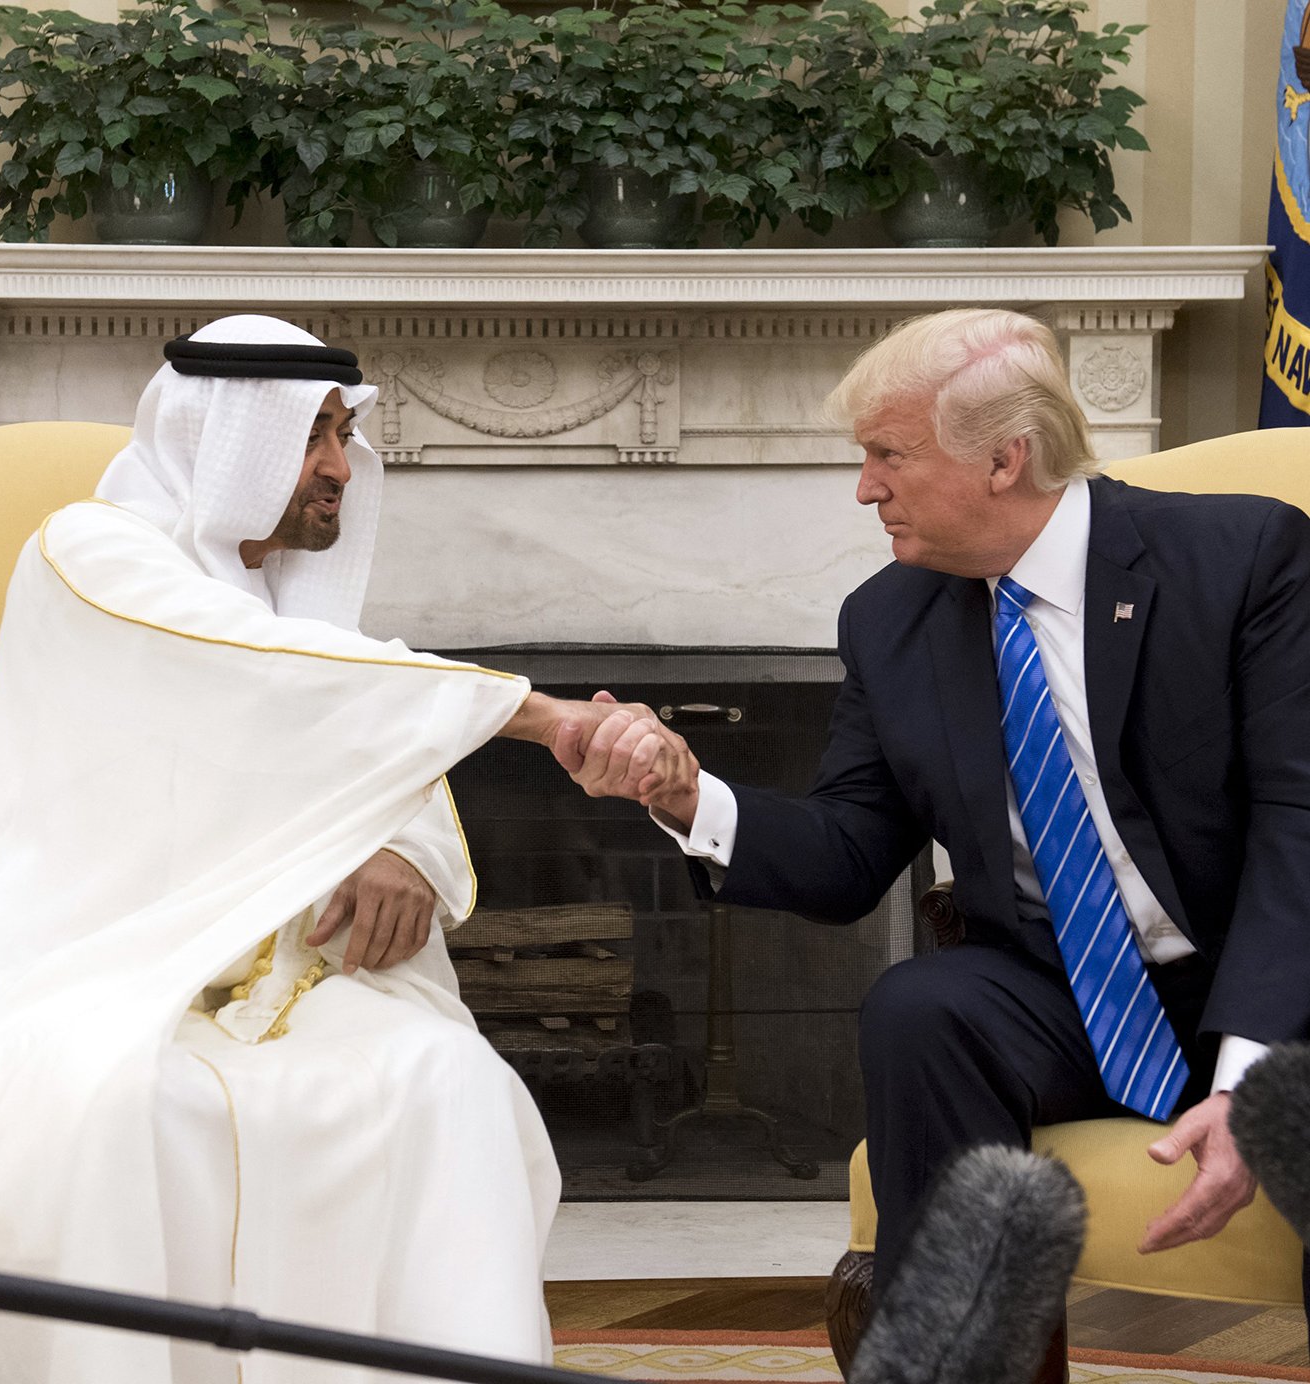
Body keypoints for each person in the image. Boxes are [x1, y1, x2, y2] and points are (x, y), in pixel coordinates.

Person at [0, 315, 668, 1384]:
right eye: (312, 436)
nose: (339, 468)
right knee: (116, 1110)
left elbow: (366, 725)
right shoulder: (90, 552)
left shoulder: (296, 615)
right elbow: (273, 673)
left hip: (281, 978)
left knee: (446, 1077)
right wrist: (544, 717)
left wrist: (402, 849)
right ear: (221, 438)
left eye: (342, 435)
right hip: (96, 967)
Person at [558, 307, 1310, 1311]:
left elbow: (1299, 826)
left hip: (1266, 982)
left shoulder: (1243, 557)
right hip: (1068, 999)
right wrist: (685, 794)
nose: (864, 486)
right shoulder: (890, 619)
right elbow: (846, 852)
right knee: (922, 1007)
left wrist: (1246, 1078)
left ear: (1005, 458)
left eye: (888, 454)